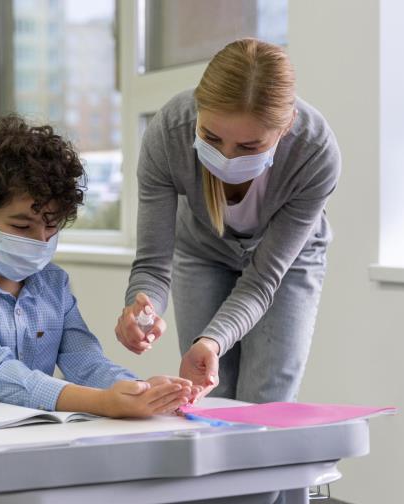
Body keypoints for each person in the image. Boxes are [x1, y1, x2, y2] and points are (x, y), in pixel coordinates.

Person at [0, 116, 193, 417]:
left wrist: (140, 391)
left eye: (52, 226)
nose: (41, 240)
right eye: (22, 226)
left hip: (28, 440)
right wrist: (104, 402)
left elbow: (85, 360)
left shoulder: (52, 282)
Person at [116, 38, 341, 406]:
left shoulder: (314, 152)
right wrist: (141, 309)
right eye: (211, 137)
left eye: (249, 147)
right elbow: (153, 264)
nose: (226, 158)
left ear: (285, 128)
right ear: (197, 111)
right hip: (200, 249)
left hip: (286, 265)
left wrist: (212, 339)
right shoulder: (170, 132)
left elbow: (264, 279)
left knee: (266, 396)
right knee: (208, 390)